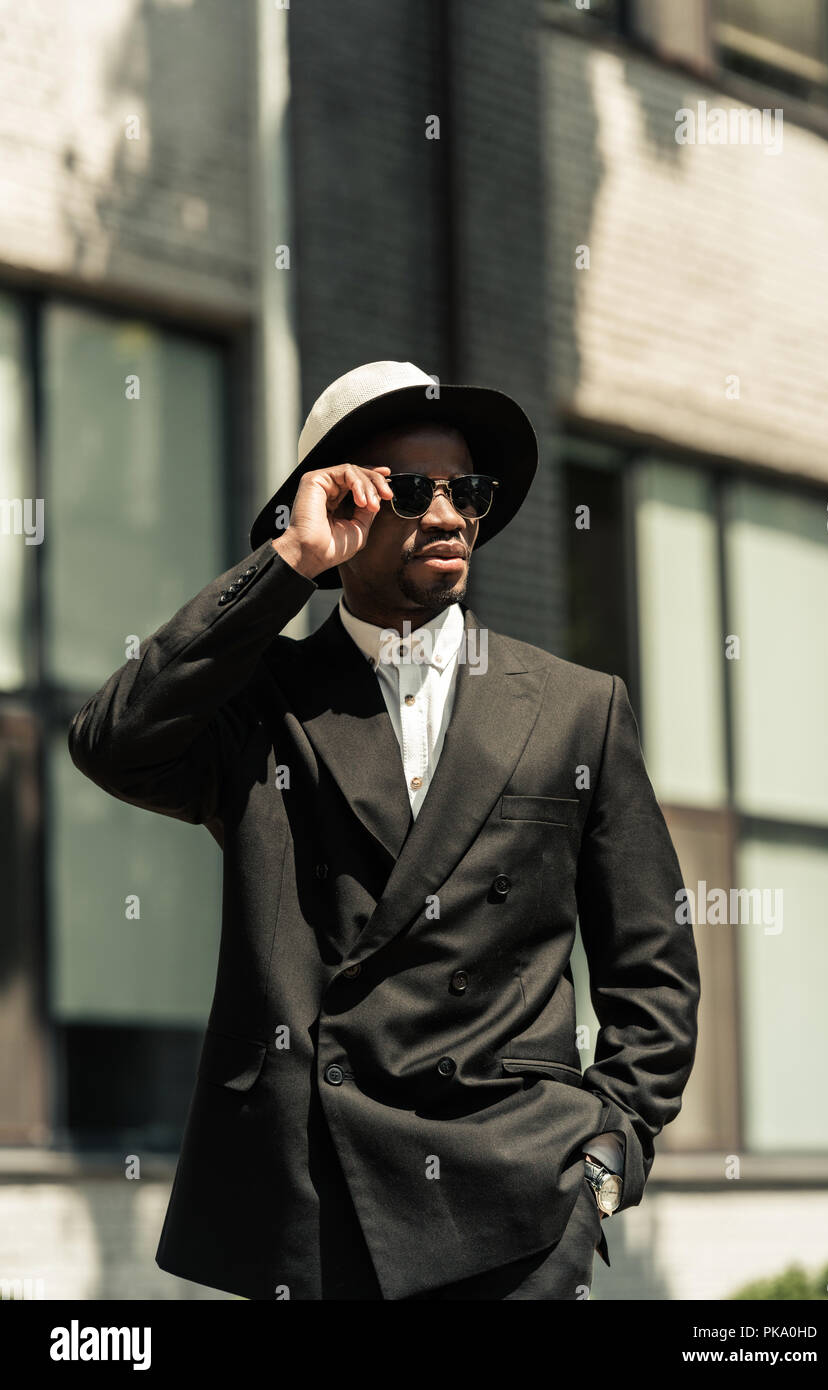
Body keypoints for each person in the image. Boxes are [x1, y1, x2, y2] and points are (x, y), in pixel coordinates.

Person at [68, 359, 700, 1301]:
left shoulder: (575, 706)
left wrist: (609, 1150)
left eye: (467, 492)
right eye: (409, 491)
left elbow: (649, 959)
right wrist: (288, 564)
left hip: (519, 1200)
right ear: (338, 505)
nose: (447, 517)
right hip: (314, 1200)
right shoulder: (260, 705)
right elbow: (114, 744)